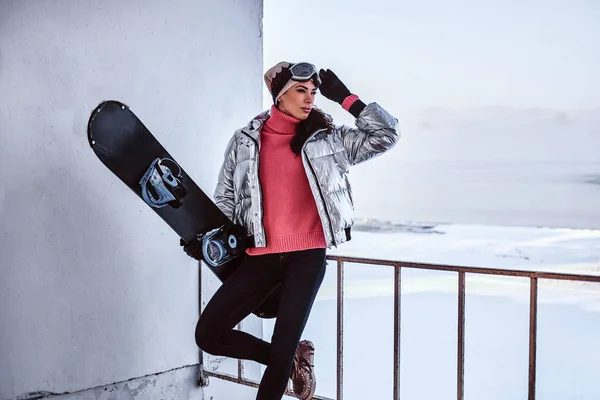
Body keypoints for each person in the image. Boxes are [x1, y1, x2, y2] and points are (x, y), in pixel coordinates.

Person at [182, 61, 399, 399]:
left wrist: (347, 99)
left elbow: (386, 135)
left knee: (279, 360)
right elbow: (226, 198)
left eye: (313, 92)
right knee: (209, 335)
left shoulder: (328, 140)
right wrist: (207, 238)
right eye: (301, 90)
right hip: (260, 257)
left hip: (307, 258)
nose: (310, 98)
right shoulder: (245, 141)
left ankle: (286, 358)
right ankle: (292, 357)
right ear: (280, 95)